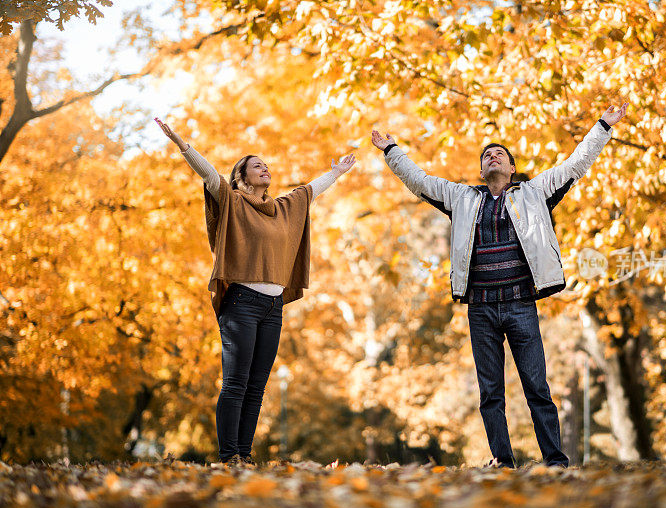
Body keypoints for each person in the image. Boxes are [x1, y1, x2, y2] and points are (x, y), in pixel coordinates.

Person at [371, 103, 628, 468]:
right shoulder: (461, 199)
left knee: (537, 388)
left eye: (500, 154)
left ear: (510, 168)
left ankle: (555, 460)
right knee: (491, 392)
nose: (493, 156)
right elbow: (420, 181)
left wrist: (603, 124)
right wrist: (392, 151)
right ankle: (502, 462)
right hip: (481, 309)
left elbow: (575, 164)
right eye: (487, 155)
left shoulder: (534, 193)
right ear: (482, 169)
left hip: (521, 304)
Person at [155, 117, 356, 464]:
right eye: (256, 166)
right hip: (242, 304)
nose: (264, 168)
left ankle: (243, 457)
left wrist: (336, 173)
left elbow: (310, 190)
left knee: (257, 388)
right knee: (235, 383)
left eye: (265, 165)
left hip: (272, 307)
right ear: (241, 177)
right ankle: (228, 455)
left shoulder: (282, 208)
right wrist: (180, 143)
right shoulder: (232, 200)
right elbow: (208, 174)